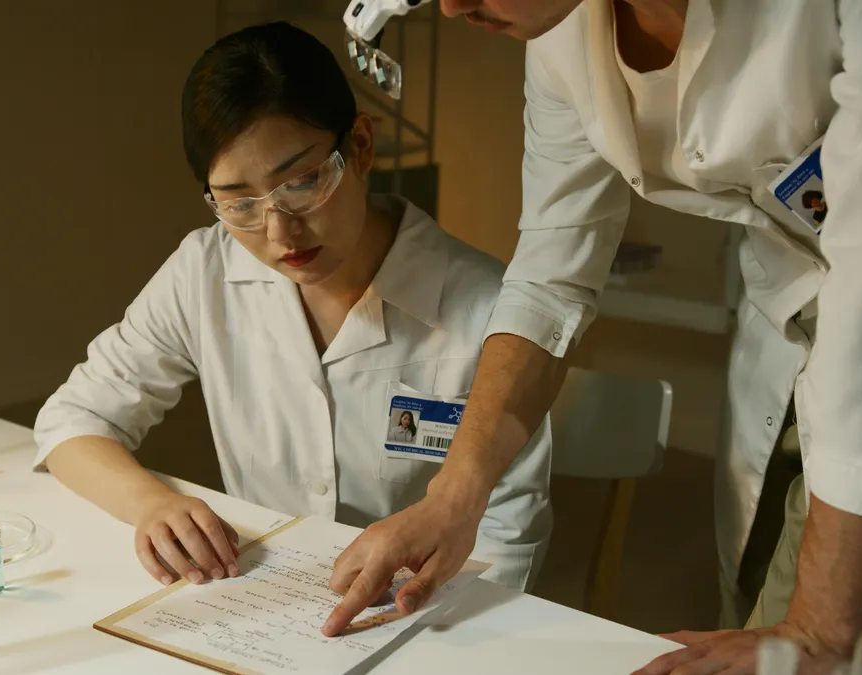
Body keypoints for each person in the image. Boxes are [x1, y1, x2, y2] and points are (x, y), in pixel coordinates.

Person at [322, 1, 862, 673]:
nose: (451, 6)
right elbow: (552, 277)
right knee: (748, 617)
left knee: (838, 646)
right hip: (788, 313)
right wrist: (451, 499)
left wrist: (820, 628)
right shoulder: (562, 38)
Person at [32, 21, 551, 594]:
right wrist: (152, 504)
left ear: (359, 146)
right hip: (264, 606)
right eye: (239, 204)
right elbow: (73, 421)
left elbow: (507, 541)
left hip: (420, 613)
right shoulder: (205, 271)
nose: (280, 231)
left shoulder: (490, 308)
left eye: (302, 183)